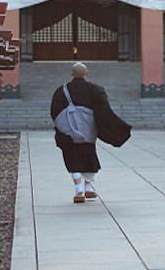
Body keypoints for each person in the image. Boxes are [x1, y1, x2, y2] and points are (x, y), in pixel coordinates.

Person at [50, 62, 131, 203]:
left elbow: (54, 111)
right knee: (89, 155)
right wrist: (116, 127)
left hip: (68, 130)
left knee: (72, 155)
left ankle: (78, 189)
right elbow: (104, 109)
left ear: (71, 74)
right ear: (86, 73)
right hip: (88, 129)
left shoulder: (60, 91)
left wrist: (64, 126)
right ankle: (88, 188)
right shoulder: (95, 89)